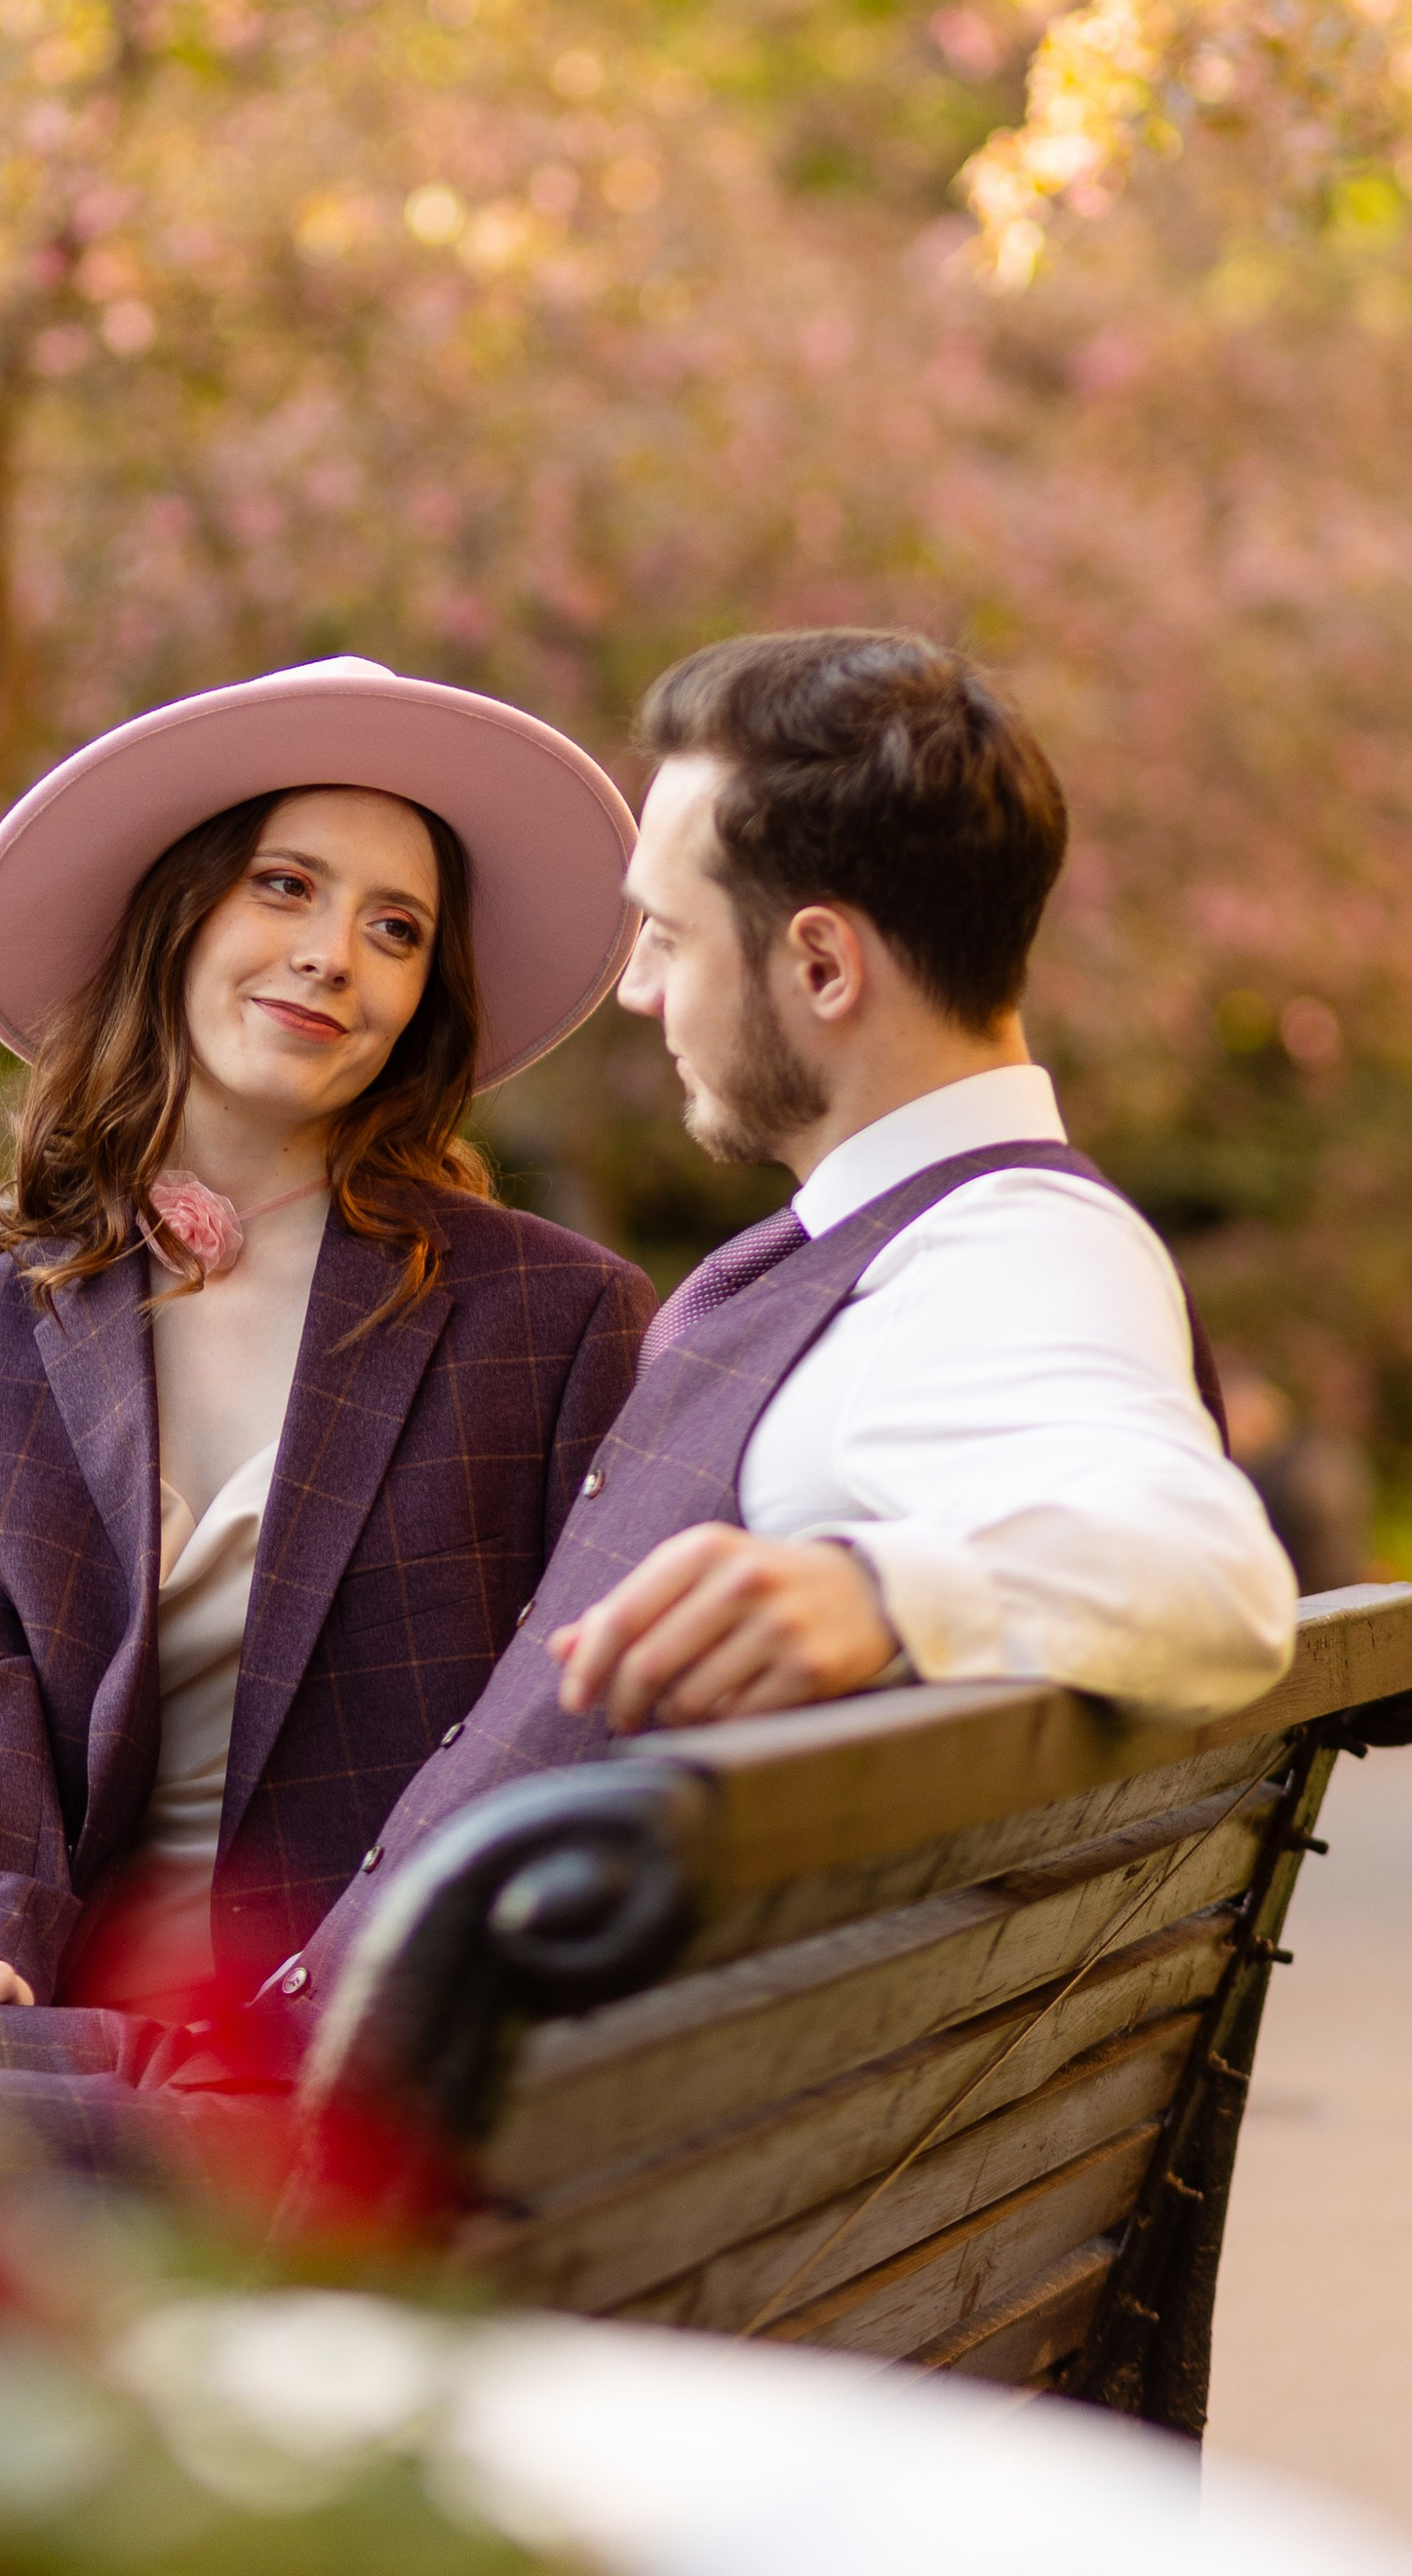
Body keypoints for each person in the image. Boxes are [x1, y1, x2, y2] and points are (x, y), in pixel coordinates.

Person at [276, 628, 1296, 2017]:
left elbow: (1211, 1572)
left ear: (821, 965)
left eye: (668, 933)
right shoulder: (901, 1250)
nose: (637, 988)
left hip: (417, 2120)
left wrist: (882, 1592)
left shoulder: (1007, 1254)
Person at [0, 654, 651, 2036]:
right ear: (178, 917)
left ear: (425, 999)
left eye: (397, 928)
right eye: (285, 885)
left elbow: (592, 1731)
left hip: (396, 2056)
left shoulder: (552, 1320)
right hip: (65, 2038)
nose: (334, 954)